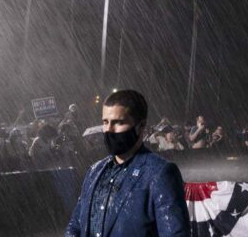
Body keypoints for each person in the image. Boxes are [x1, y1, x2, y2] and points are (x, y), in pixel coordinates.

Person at [65, 89, 189, 237]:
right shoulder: (94, 171)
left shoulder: (160, 173)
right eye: (105, 122)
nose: (109, 130)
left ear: (141, 126)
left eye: (119, 122)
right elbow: (75, 225)